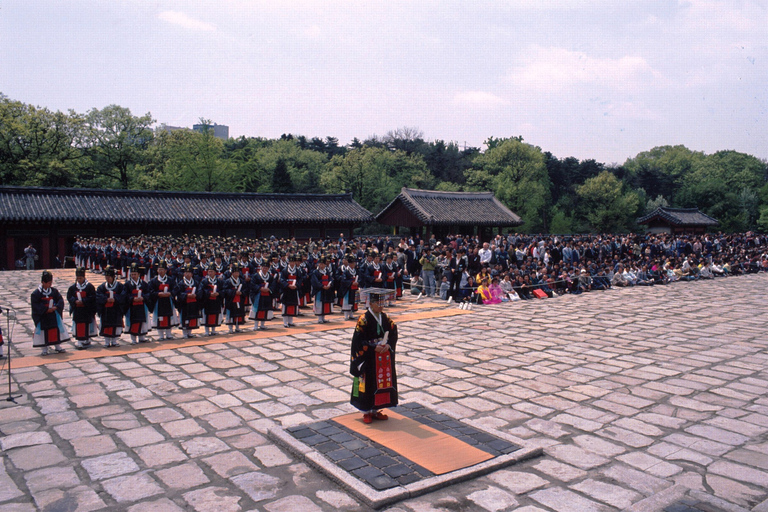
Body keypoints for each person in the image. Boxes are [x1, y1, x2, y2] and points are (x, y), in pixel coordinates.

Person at [350, 288, 398, 424]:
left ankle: (376, 409)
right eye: (378, 303)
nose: (381, 306)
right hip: (369, 357)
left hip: (382, 356)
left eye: (382, 303)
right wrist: (372, 347)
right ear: (370, 304)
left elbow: (393, 331)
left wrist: (388, 344)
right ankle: (366, 411)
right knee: (368, 382)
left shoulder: (385, 317)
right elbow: (358, 341)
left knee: (381, 381)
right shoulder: (363, 319)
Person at [31, 271, 70, 355]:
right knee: (43, 332)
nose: (50, 285)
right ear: (43, 282)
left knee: (55, 330)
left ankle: (57, 346)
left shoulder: (54, 291)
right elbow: (36, 305)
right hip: (43, 316)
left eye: (50, 283)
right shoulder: (36, 293)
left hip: (53, 315)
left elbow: (60, 300)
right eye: (48, 283)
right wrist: (45, 309)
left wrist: (56, 307)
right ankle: (44, 349)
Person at [66, 267, 97, 349]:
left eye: (80, 278)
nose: (79, 279)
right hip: (77, 310)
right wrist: (75, 301)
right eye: (77, 278)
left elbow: (93, 297)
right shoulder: (73, 287)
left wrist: (83, 301)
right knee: (79, 325)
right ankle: (79, 340)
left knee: (87, 324)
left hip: (86, 310)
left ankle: (86, 339)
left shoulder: (89, 287)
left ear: (84, 277)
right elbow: (69, 296)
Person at [149, 260, 179, 340]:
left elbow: (175, 289)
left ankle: (169, 334)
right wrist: (158, 294)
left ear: (166, 270)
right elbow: (150, 291)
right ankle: (161, 335)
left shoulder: (170, 280)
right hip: (159, 302)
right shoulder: (154, 281)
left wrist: (170, 293)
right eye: (159, 269)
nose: (160, 271)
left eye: (162, 269)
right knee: (160, 317)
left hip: (168, 301)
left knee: (169, 317)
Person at [96, 266, 125, 347]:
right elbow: (98, 296)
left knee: (115, 325)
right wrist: (106, 299)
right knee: (106, 326)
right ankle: (106, 341)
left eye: (109, 277)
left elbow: (123, 296)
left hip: (116, 310)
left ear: (113, 277)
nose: (107, 279)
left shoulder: (119, 286)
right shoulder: (102, 287)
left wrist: (115, 299)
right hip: (106, 310)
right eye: (106, 277)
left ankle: (115, 341)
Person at [124, 263, 151, 344]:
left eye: (135, 274)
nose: (133, 276)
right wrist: (132, 298)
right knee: (133, 322)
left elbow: (148, 293)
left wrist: (143, 298)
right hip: (132, 307)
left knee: (142, 321)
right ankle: (133, 339)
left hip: (141, 306)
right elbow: (125, 295)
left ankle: (142, 337)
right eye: (132, 274)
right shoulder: (127, 284)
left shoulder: (143, 284)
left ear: (138, 274)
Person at [174, 264, 202, 338]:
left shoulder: (195, 282)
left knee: (192, 317)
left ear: (192, 274)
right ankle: (185, 333)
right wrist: (186, 295)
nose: (187, 274)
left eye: (189, 272)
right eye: (186, 272)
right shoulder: (181, 283)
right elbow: (178, 293)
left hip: (193, 303)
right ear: (184, 274)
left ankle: (190, 332)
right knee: (185, 318)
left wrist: (196, 295)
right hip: (185, 304)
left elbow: (200, 290)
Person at [249, 261, 276, 330]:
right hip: (258, 295)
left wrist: (269, 289)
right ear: (261, 267)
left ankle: (262, 324)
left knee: (265, 309)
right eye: (263, 267)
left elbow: (273, 285)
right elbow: (252, 284)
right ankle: (255, 325)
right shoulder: (256, 275)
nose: (264, 269)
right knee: (257, 310)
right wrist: (260, 288)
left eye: (266, 268)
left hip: (266, 294)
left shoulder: (270, 277)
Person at [223, 263, 248, 333]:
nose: (237, 274)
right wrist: (234, 292)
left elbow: (245, 289)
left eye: (238, 272)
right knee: (231, 314)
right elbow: (225, 290)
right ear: (232, 273)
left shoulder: (241, 281)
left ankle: (237, 327)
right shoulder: (228, 281)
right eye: (235, 272)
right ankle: (230, 328)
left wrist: (241, 293)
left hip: (239, 299)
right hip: (231, 300)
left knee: (238, 313)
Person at [280, 255, 303, 328]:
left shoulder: (298, 271)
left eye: (293, 262)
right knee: (285, 306)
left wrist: (296, 286)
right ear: (288, 262)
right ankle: (285, 322)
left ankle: (290, 321)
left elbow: (300, 279)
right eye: (291, 262)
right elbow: (282, 280)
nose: (292, 263)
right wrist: (287, 285)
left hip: (294, 290)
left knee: (292, 305)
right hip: (287, 290)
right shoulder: (284, 270)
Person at [201, 266, 224, 336]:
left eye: (211, 271)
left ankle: (213, 330)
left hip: (216, 301)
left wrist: (218, 293)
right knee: (207, 315)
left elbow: (223, 290)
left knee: (215, 314)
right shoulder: (204, 281)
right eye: (209, 271)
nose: (210, 273)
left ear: (215, 272)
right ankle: (207, 331)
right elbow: (202, 290)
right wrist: (209, 294)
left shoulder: (219, 281)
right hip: (207, 301)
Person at [311, 257, 335, 324]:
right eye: (320, 264)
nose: (321, 265)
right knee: (319, 304)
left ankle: (323, 318)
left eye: (323, 264)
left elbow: (331, 279)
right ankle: (319, 319)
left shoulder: (327, 271)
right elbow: (315, 281)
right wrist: (322, 286)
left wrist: (329, 284)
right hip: (319, 290)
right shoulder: (315, 272)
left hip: (326, 290)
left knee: (325, 304)